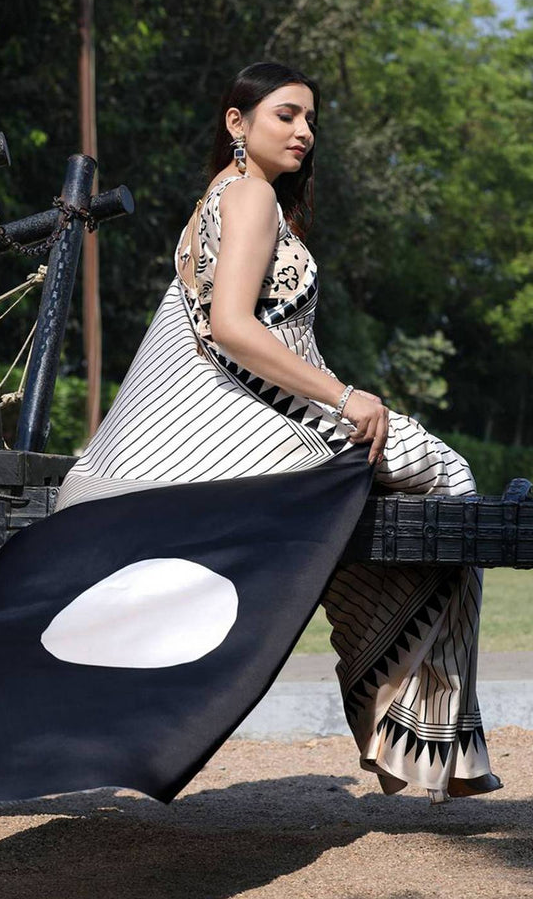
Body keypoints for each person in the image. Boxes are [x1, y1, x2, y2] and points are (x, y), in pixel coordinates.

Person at [55, 61, 502, 804]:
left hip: (261, 413)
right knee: (451, 481)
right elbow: (231, 327)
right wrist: (344, 395)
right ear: (237, 122)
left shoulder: (218, 197)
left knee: (393, 513)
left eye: (310, 120)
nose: (304, 132)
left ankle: (407, 725)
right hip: (265, 420)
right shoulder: (251, 195)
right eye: (286, 115)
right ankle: (412, 730)